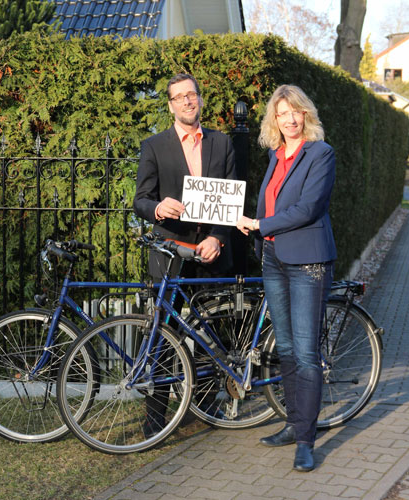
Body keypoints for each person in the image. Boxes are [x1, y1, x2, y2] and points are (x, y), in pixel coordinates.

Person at [236, 84, 336, 472]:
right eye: (282, 113)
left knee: (308, 354)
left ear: (306, 114)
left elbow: (309, 207)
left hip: (308, 260)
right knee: (288, 350)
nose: (290, 119)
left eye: (295, 111)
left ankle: (307, 442)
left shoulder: (320, 153)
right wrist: (257, 228)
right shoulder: (275, 156)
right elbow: (273, 203)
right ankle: (294, 425)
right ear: (273, 120)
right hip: (274, 258)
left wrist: (261, 224)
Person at [133, 73, 237, 436]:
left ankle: (206, 409)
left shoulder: (222, 144)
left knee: (210, 333)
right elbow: (140, 201)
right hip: (169, 253)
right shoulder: (155, 145)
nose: (187, 102)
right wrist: (158, 208)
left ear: (201, 99)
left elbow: (231, 199)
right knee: (164, 336)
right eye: (179, 97)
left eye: (192, 94)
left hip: (210, 252)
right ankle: (155, 421)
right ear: (170, 105)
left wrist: (218, 238)